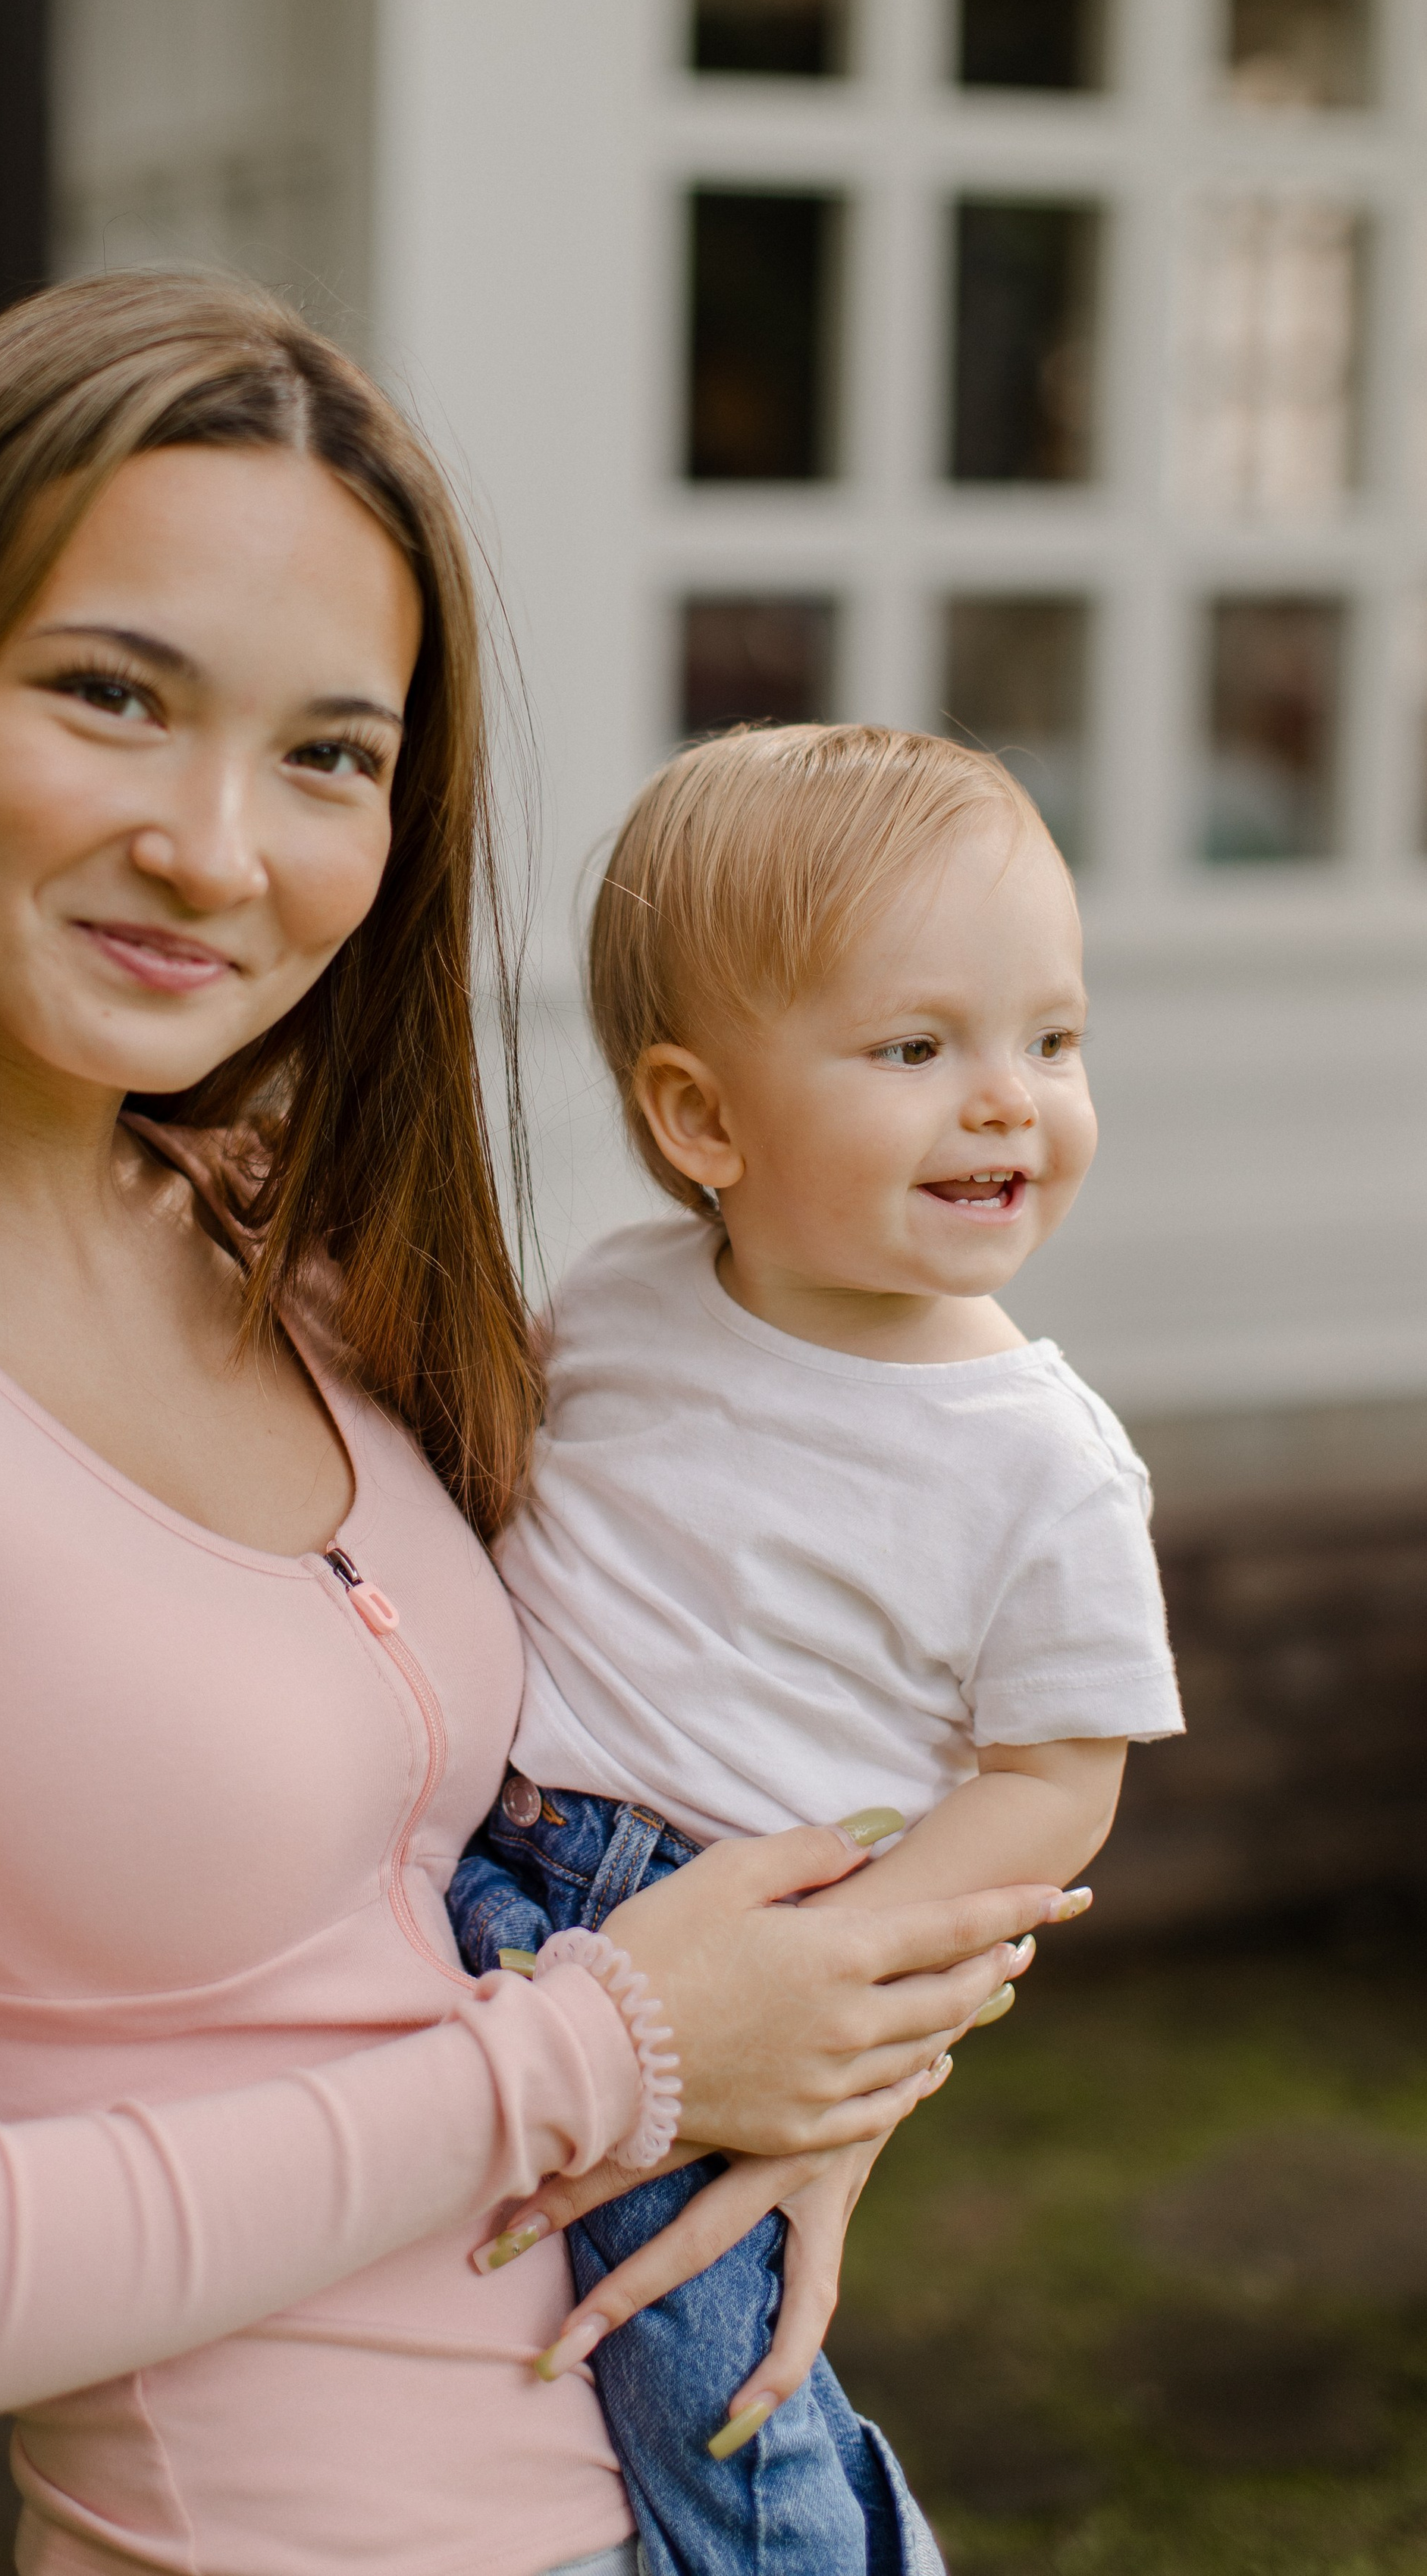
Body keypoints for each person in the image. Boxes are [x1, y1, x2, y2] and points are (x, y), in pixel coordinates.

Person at [0, 279, 1069, 2576]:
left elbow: (738, 1795)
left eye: (331, 755)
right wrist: (619, 2053)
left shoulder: (269, 1234)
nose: (221, 851)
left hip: (733, 2484)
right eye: (114, 696)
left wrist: (823, 2075)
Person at [451, 724, 1184, 2576]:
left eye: (1051, 1039)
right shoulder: (619, 1298)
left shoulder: (1037, 1460)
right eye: (917, 1049)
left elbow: (1053, 1776)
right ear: (702, 1120)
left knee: (705, 2381)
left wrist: (838, 1982)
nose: (1009, 1099)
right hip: (479, 1865)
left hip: (723, 1934)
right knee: (478, 2331)